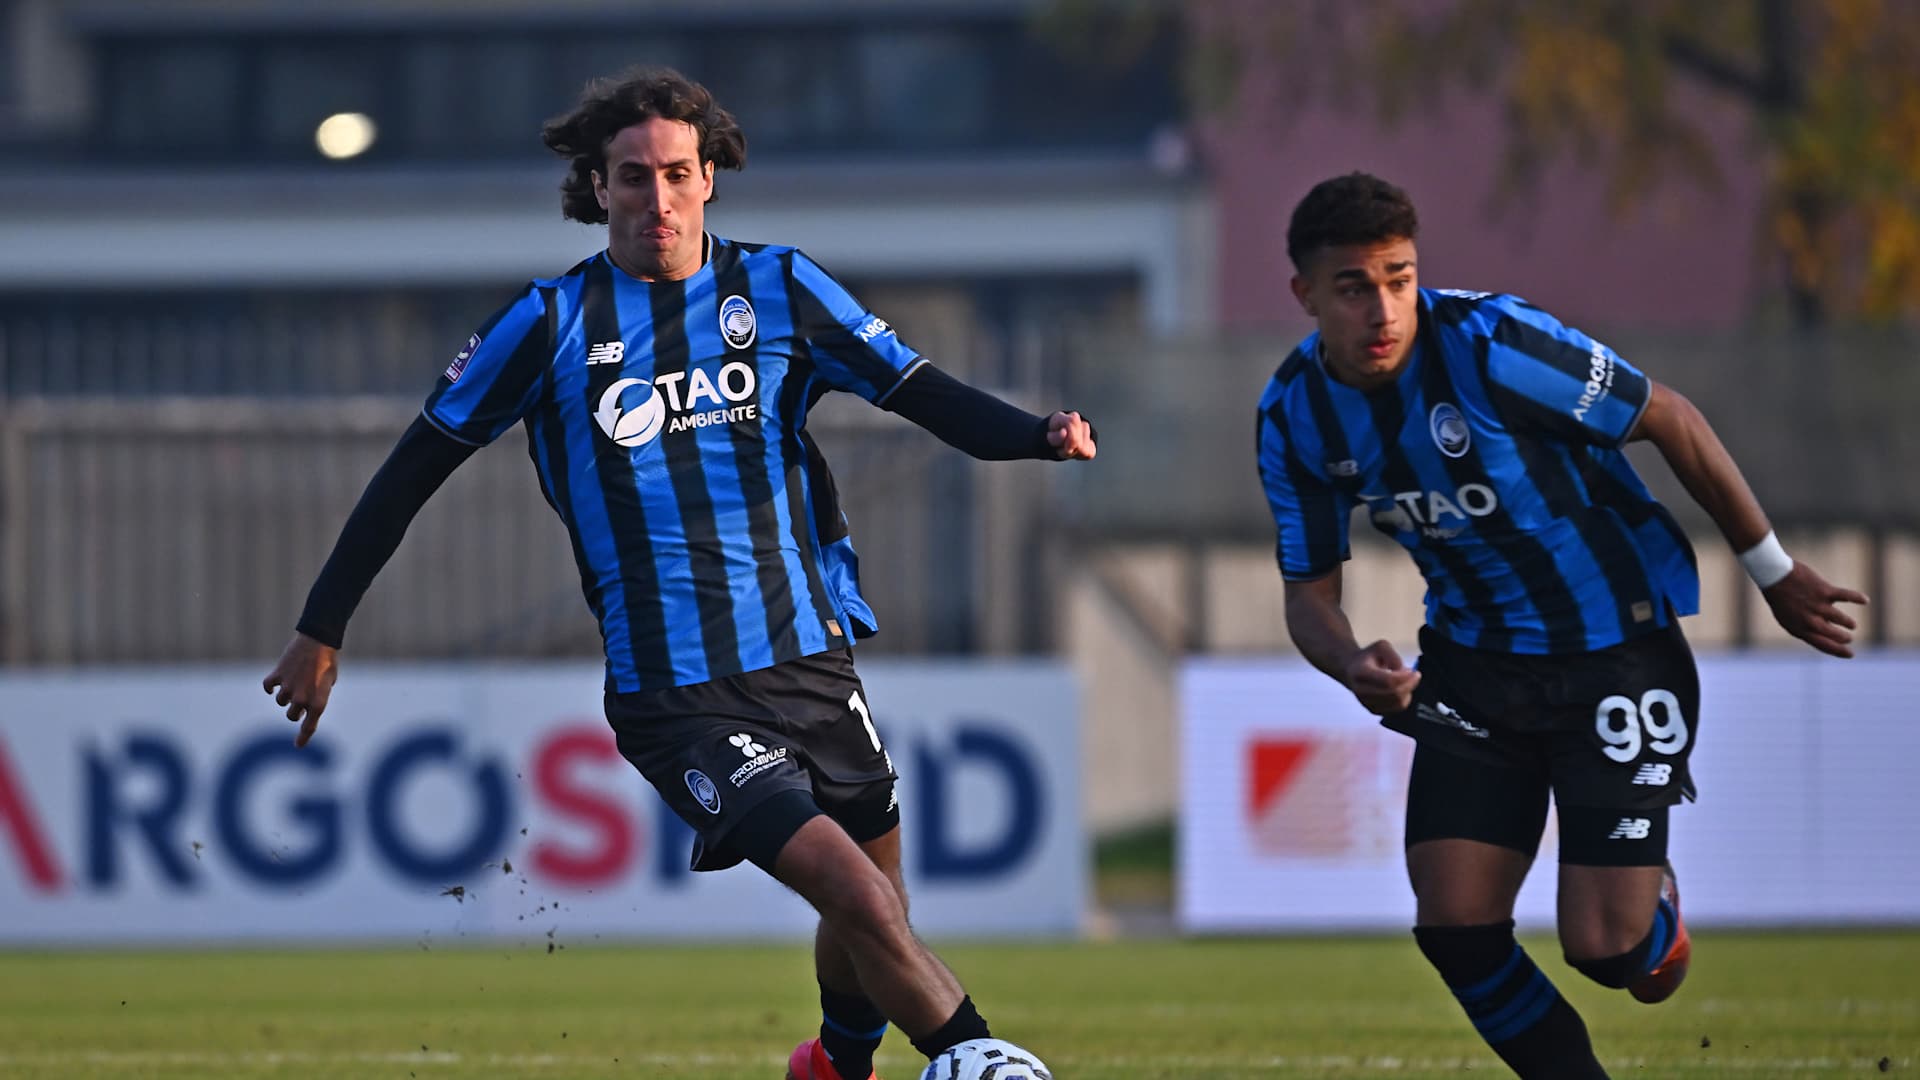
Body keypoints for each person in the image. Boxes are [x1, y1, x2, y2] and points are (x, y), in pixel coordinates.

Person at [262, 68, 1093, 1080]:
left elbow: (918, 389)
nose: (656, 197)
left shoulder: (781, 288)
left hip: (810, 656)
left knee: (879, 901)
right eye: (632, 176)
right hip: (678, 693)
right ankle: (979, 1059)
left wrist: (1035, 434)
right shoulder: (549, 322)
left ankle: (837, 1064)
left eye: (675, 173)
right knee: (853, 892)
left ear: (709, 178)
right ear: (597, 187)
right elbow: (411, 471)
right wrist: (323, 624)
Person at [1257, 172, 1867, 1079]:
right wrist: (1351, 664)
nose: (1383, 309)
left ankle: (1651, 904)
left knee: (1613, 955)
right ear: (1305, 293)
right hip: (1473, 668)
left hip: (1616, 653)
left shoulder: (1495, 344)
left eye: (1399, 278)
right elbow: (1308, 594)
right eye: (1353, 287)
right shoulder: (1294, 414)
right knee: (1454, 926)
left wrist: (1771, 572)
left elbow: (1670, 417)